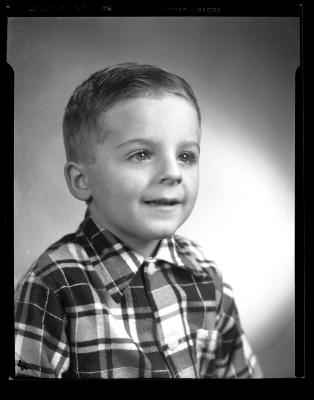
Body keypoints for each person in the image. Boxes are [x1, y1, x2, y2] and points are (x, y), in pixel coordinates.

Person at [14, 62, 263, 379]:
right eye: (141, 154)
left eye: (186, 156)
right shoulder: (53, 283)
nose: (173, 173)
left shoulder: (206, 277)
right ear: (82, 180)